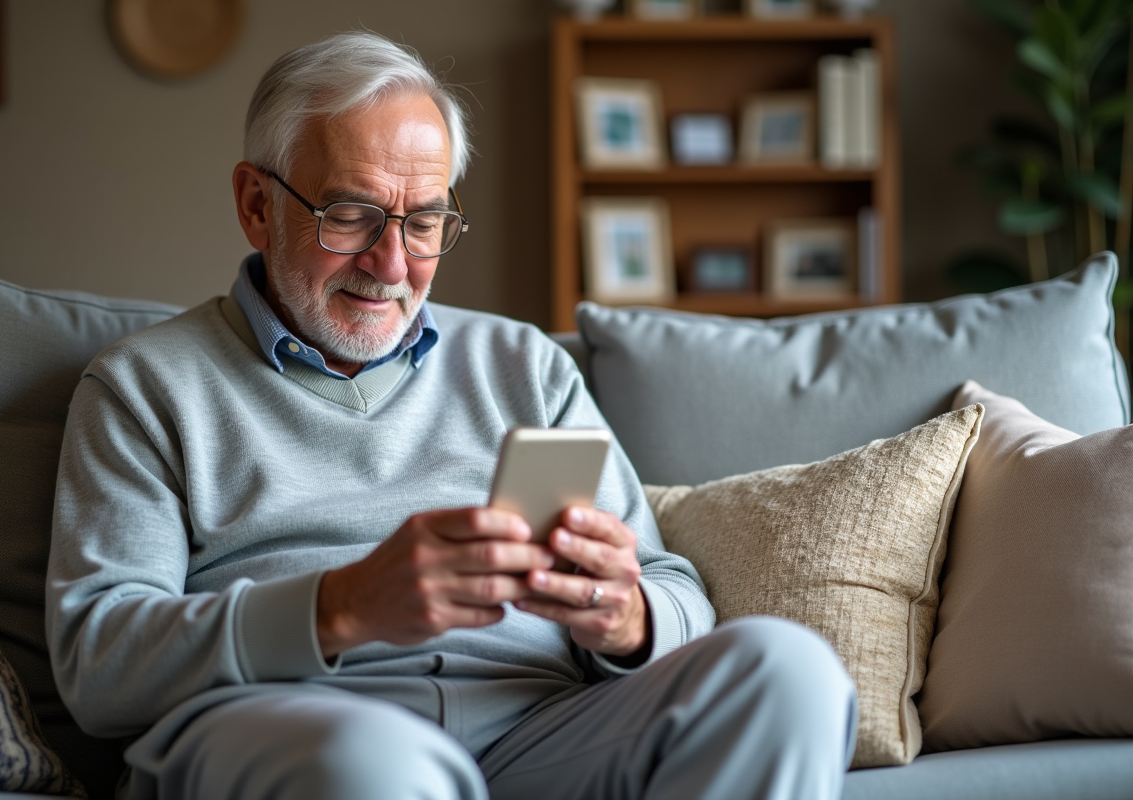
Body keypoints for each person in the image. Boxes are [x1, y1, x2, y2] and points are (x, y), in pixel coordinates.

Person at [47, 32, 857, 800]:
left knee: (788, 671)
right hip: (295, 731)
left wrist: (630, 618)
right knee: (376, 765)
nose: (391, 263)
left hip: (538, 732)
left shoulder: (526, 366)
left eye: (424, 221)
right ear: (257, 205)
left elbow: (669, 585)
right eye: (351, 215)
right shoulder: (144, 387)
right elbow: (101, 661)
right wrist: (340, 607)